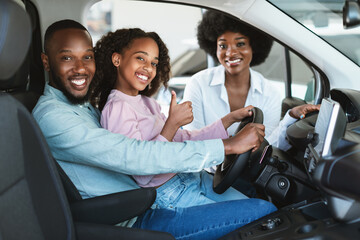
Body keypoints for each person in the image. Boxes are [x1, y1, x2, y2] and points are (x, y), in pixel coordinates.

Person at [32, 19, 276, 239]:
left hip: (154, 194)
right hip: (139, 213)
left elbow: (180, 139)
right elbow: (137, 157)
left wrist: (226, 124)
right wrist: (227, 146)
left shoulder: (83, 105)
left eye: (87, 57)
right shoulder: (54, 117)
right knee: (265, 215)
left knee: (260, 202)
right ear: (46, 61)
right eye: (67, 57)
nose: (81, 68)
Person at [91, 28, 263, 209]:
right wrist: (172, 124)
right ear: (117, 59)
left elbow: (184, 140)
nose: (148, 68)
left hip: (190, 176)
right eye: (140, 58)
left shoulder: (147, 102)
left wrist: (229, 119)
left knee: (258, 208)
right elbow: (141, 175)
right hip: (170, 193)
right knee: (257, 214)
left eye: (154, 63)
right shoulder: (117, 108)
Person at [183, 10, 320, 166]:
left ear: (253, 46)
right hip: (203, 174)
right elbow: (192, 143)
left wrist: (292, 116)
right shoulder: (198, 84)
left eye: (240, 44)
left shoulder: (269, 93)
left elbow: (268, 146)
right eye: (223, 45)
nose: (231, 53)